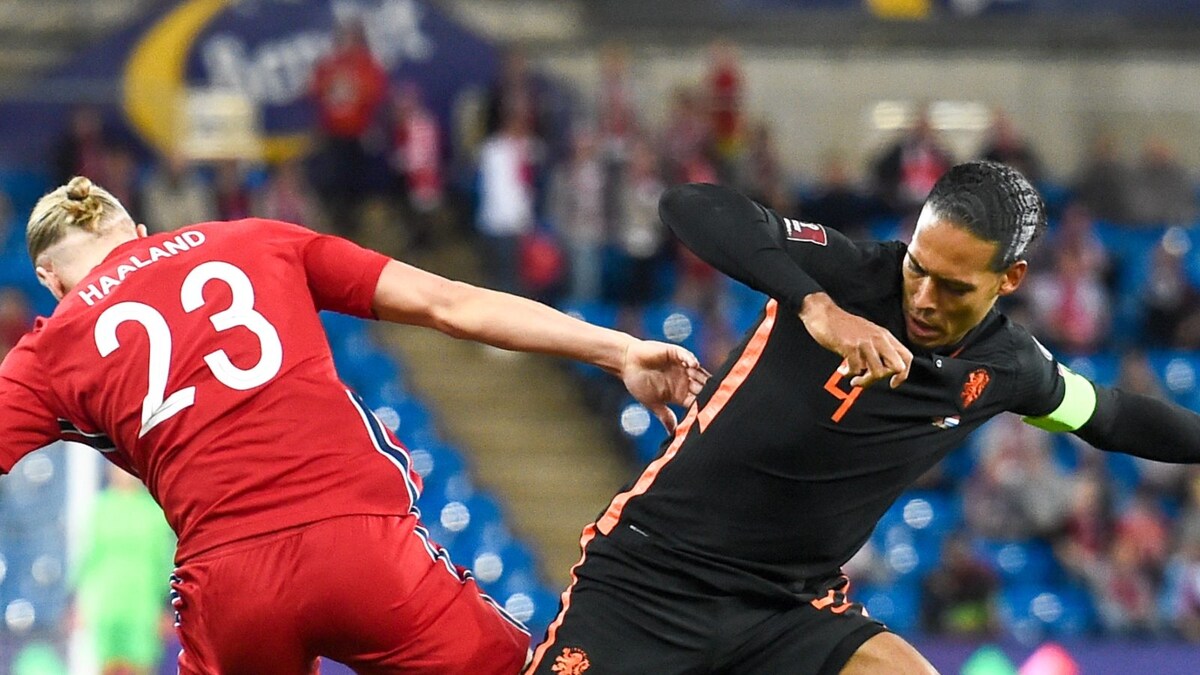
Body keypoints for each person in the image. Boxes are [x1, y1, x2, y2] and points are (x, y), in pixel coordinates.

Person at [0, 176, 706, 675]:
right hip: (361, 544)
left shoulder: (50, 346)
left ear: (48, 277)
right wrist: (617, 349)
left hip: (232, 580)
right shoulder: (255, 238)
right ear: (141, 231)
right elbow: (447, 303)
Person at [528, 161, 1200, 675]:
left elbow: (1108, 415)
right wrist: (816, 306)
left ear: (1011, 279)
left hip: (787, 609)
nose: (925, 298)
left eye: (954, 286)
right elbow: (690, 204)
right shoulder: (846, 274)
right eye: (919, 268)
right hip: (654, 575)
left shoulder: (1009, 367)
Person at [72, 464, 175, 675]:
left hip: (143, 605)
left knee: (140, 663)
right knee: (108, 665)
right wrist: (76, 602)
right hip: (106, 605)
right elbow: (88, 557)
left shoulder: (154, 512)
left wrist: (167, 607)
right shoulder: (101, 508)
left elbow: (166, 561)